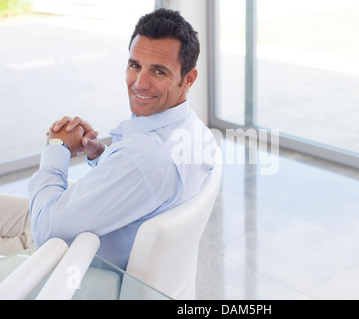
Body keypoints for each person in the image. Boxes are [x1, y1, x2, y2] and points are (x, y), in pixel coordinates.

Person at [22, 8, 218, 270]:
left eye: (158, 72)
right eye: (135, 65)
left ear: (188, 79)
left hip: (66, 267)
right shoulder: (196, 131)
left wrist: (56, 146)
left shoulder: (143, 162)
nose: (139, 83)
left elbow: (47, 230)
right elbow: (142, 181)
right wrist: (99, 153)